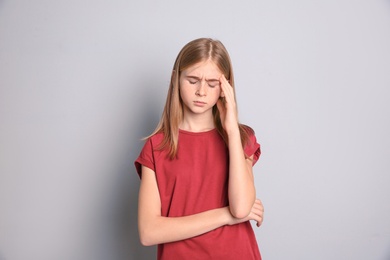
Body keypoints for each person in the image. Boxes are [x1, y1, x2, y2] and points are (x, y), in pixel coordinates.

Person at [134, 38, 264, 260]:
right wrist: (225, 215)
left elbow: (241, 208)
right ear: (176, 79)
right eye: (193, 80)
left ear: (225, 87)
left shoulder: (242, 138)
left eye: (212, 83)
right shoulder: (157, 146)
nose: (201, 91)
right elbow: (148, 232)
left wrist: (232, 130)